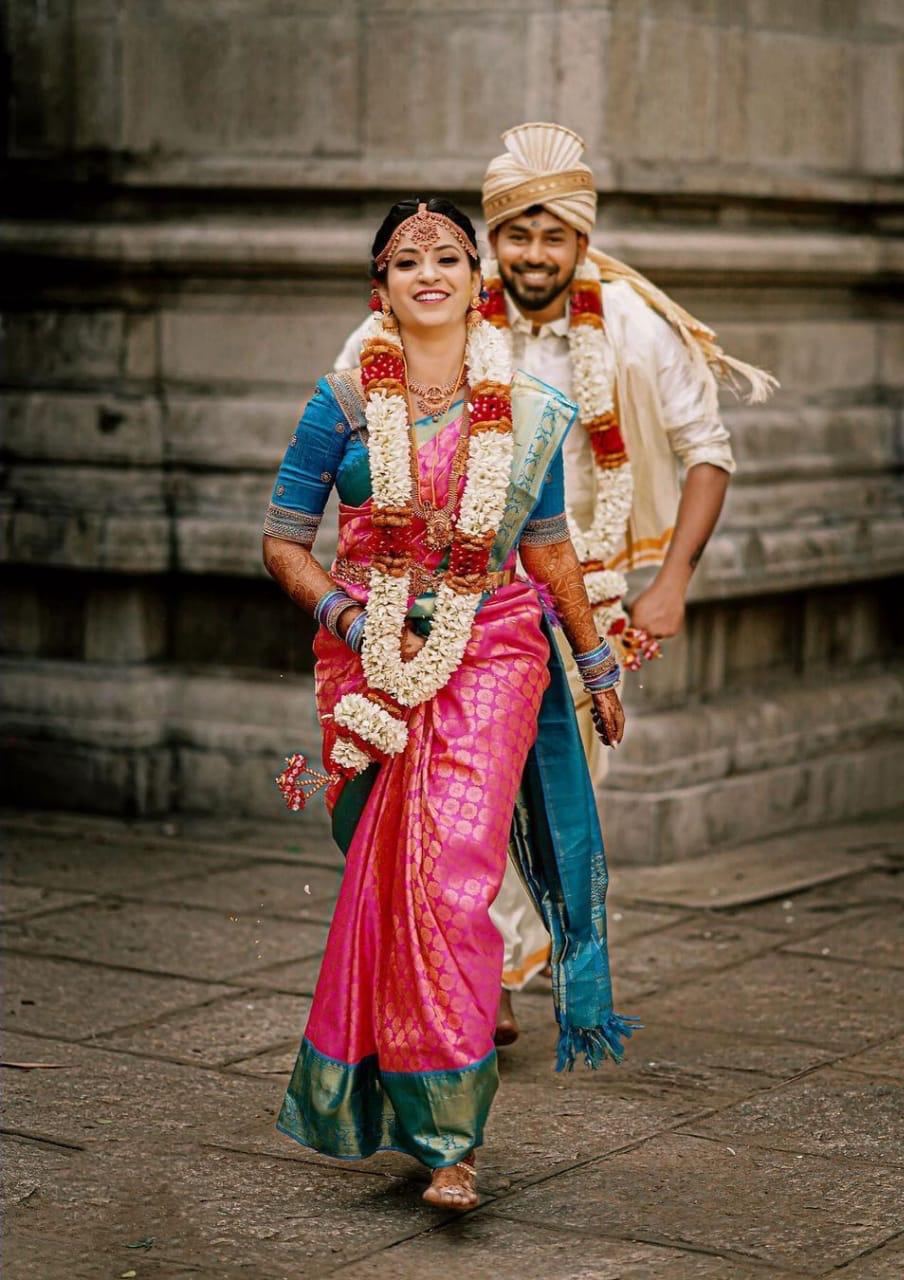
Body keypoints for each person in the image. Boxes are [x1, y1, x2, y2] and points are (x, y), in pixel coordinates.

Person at [336, 125, 777, 1043]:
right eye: (518, 235)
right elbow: (352, 399)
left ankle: (499, 967)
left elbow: (710, 453)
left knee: (559, 800)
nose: (534, 255)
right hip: (452, 601)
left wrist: (674, 581)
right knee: (461, 794)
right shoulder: (442, 304)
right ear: (493, 238)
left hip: (588, 602)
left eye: (554, 236)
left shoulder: (631, 326)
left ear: (582, 240)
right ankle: (473, 981)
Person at [262, 197, 632, 1213]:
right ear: (378, 286)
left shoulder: (529, 405)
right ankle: (400, 1094)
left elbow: (547, 542)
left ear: (478, 279)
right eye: (405, 258)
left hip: (497, 646)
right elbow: (282, 541)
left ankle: (450, 1139)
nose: (430, 270)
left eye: (449, 255)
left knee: (450, 879)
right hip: (368, 661)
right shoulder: (339, 400)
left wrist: (595, 663)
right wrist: (350, 620)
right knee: (391, 879)